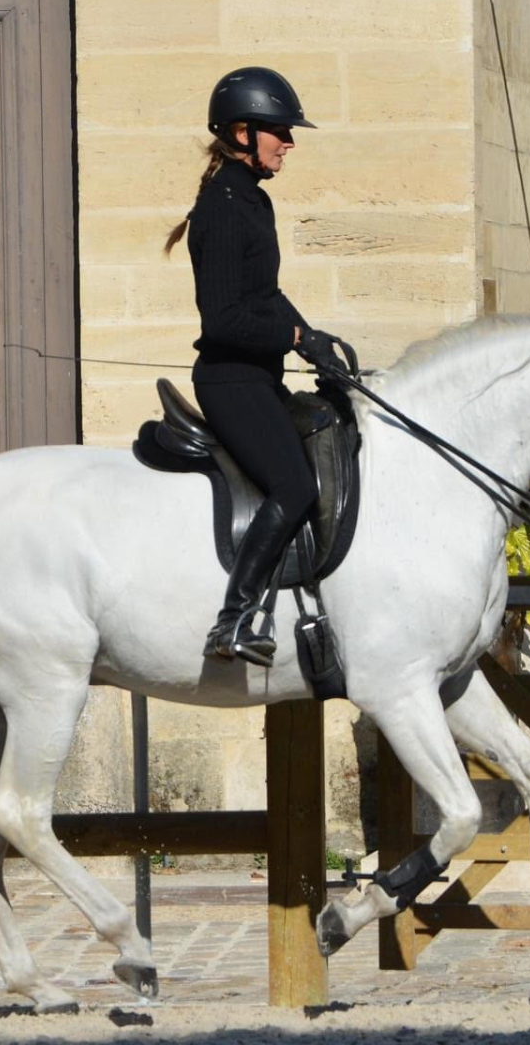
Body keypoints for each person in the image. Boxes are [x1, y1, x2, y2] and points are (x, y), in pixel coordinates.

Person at [164, 66, 347, 668]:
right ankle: (234, 619)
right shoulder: (219, 208)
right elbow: (223, 320)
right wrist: (291, 334)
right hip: (228, 380)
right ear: (242, 132)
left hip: (259, 376)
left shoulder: (252, 201)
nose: (289, 143)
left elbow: (264, 295)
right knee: (294, 484)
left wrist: (312, 338)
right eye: (279, 131)